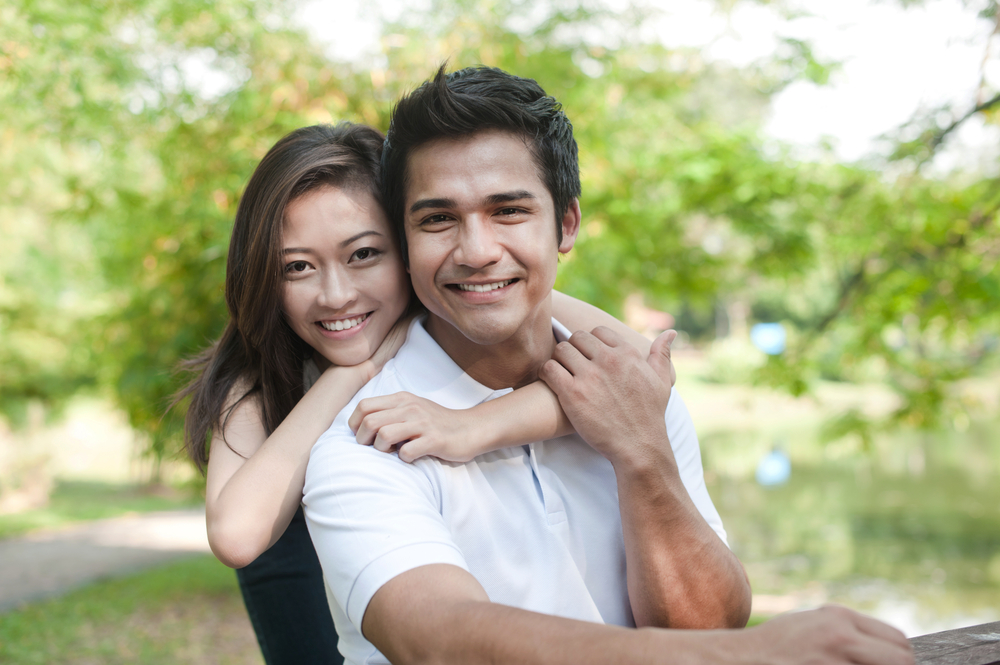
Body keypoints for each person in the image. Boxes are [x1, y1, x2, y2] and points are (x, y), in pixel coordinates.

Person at [301, 66, 914, 665]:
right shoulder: (365, 439)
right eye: (438, 219)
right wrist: (746, 654)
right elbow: (438, 639)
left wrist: (642, 455)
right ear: (405, 243)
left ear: (565, 224)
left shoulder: (635, 389)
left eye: (509, 211)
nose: (477, 251)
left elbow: (705, 623)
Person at [179, 122, 663, 665]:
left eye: (363, 254)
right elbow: (238, 535)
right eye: (297, 267)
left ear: (410, 249)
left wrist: (476, 426)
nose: (336, 295)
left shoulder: (451, 311)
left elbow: (639, 371)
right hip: (290, 551)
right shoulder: (257, 373)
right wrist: (349, 376)